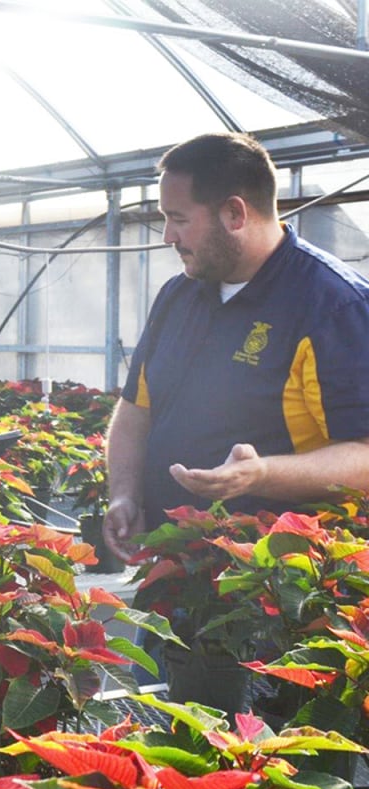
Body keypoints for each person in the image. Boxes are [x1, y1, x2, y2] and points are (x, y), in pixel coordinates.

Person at [105, 131, 369, 561]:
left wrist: (261, 474)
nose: (168, 235)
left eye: (180, 218)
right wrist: (125, 495)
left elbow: (364, 455)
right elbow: (136, 410)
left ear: (234, 214)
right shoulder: (178, 294)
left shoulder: (333, 306)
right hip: (176, 568)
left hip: (274, 586)